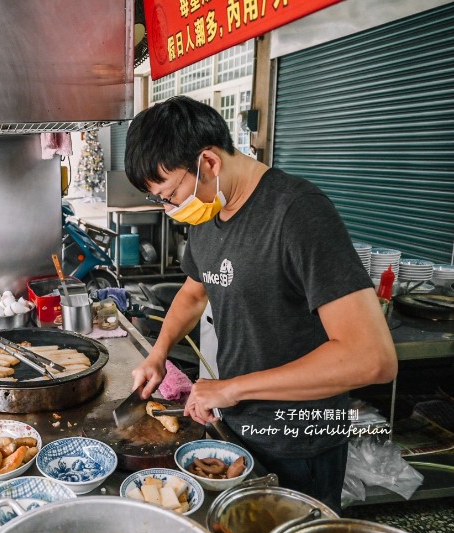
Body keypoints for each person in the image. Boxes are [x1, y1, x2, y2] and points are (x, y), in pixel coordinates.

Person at [124, 96, 397, 512]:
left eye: (171, 193)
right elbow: (194, 292)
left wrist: (231, 389)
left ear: (209, 163)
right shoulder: (208, 215)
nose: (171, 209)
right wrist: (159, 355)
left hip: (302, 439)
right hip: (238, 428)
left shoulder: (297, 213)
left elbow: (371, 358)